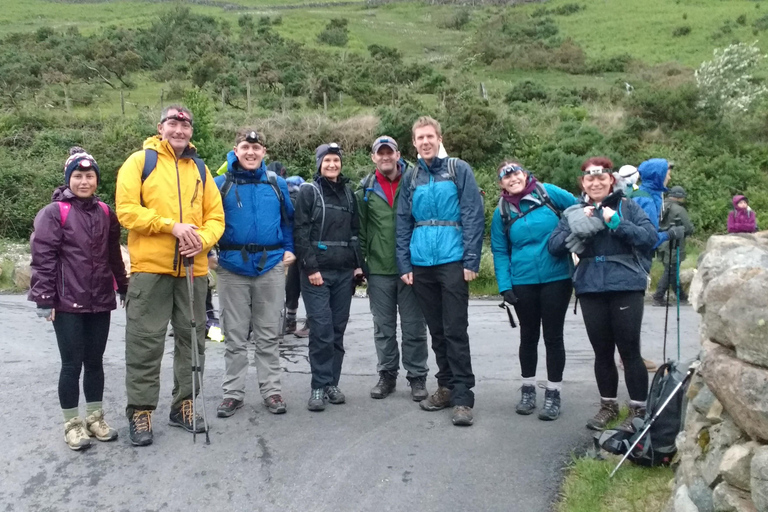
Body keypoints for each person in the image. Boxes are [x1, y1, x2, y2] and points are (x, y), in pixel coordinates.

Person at [116, 105, 225, 447]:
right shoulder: (140, 162)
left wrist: (201, 240)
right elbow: (126, 211)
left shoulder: (200, 169)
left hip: (193, 270)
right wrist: (171, 227)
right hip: (151, 270)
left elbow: (216, 219)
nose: (179, 129)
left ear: (191, 130)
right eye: (173, 123)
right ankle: (141, 411)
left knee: (192, 341)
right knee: (144, 343)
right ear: (160, 127)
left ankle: (185, 405)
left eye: (185, 124)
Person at [29, 147, 129, 450]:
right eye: (78, 176)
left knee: (95, 362)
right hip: (66, 301)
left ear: (96, 180)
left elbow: (114, 254)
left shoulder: (106, 213)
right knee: (71, 365)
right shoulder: (54, 212)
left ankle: (95, 418)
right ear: (68, 178)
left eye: (89, 176)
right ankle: (72, 424)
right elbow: (43, 257)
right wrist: (44, 297)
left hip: (99, 299)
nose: (84, 181)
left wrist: (122, 284)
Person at [548, 157, 657, 432]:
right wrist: (574, 229)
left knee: (630, 350)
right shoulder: (574, 211)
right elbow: (554, 246)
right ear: (583, 183)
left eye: (601, 178)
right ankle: (608, 406)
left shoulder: (627, 206)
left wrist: (617, 223)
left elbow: (649, 237)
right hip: (590, 287)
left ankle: (638, 409)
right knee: (602, 352)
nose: (596, 183)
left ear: (611, 180)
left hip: (626, 286)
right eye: (589, 179)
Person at [396, 116, 485, 427]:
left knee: (455, 330)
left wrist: (471, 259)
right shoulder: (411, 176)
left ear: (439, 138)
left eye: (430, 136)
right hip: (421, 263)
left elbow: (473, 213)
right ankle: (445, 386)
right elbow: (403, 221)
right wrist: (405, 264)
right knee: (436, 331)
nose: (425, 142)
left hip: (452, 260)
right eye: (420, 138)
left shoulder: (458, 169)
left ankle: (463, 397)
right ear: (414, 143)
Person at [214, 130, 295, 418]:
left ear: (264, 152)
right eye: (245, 147)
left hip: (270, 265)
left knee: (269, 334)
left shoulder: (276, 183)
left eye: (256, 147)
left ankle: (271, 391)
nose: (251, 152)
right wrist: (210, 252)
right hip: (230, 268)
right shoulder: (220, 184)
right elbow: (208, 220)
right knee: (234, 336)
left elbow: (288, 220)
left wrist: (289, 248)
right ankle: (232, 393)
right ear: (235, 150)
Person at [490, 160, 577, 421]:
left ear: (525, 174)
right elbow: (500, 250)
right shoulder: (502, 211)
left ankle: (553, 393)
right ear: (501, 184)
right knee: (528, 337)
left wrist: (569, 236)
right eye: (506, 176)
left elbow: (577, 208)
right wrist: (505, 286)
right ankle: (528, 389)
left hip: (557, 277)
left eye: (515, 172)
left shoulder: (546, 192)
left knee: (553, 337)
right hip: (523, 281)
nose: (512, 178)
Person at [357, 136, 429, 402]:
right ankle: (387, 375)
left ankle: (417, 377)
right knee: (383, 328)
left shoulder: (415, 181)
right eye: (380, 153)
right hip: (378, 269)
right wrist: (361, 265)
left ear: (399, 155)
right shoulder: (365, 189)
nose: (385, 157)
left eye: (390, 153)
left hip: (411, 267)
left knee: (414, 327)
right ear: (373, 157)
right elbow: (361, 231)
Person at [294, 143, 364, 412]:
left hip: (344, 273)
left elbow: (355, 233)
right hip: (316, 274)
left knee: (337, 330)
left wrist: (358, 266)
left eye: (336, 160)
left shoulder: (348, 194)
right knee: (321, 330)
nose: (332, 165)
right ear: (319, 163)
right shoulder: (308, 192)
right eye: (327, 161)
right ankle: (318, 386)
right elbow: (300, 232)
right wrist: (311, 269)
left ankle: (332, 383)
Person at [630, 158, 685, 372]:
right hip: (637, 259)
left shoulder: (647, 194)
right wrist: (669, 234)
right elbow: (648, 237)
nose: (669, 176)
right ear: (657, 175)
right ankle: (632, 357)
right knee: (633, 312)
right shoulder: (646, 198)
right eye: (666, 172)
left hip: (635, 257)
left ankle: (630, 355)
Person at [652, 186, 694, 307]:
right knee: (671, 270)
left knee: (672, 270)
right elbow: (689, 228)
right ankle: (658, 296)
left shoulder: (660, 205)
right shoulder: (679, 210)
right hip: (675, 244)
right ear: (679, 196)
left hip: (661, 242)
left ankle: (681, 295)